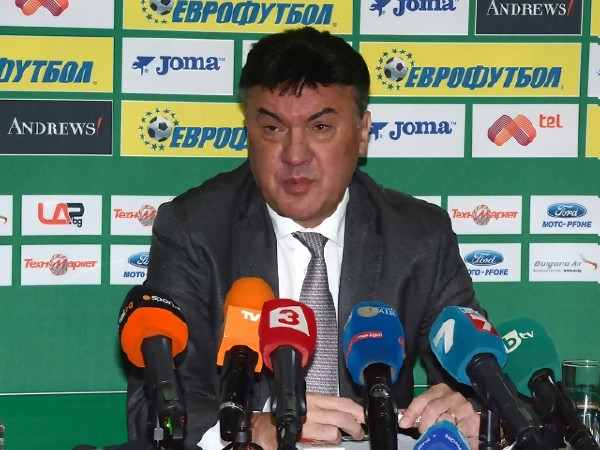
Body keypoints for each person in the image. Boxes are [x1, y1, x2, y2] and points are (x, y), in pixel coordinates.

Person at [125, 26, 483, 450]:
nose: (295, 155)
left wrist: (469, 410)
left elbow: (487, 384)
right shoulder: (194, 229)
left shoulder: (420, 236)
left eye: (321, 127)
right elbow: (154, 408)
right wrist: (257, 429)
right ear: (248, 132)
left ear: (362, 133)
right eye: (273, 128)